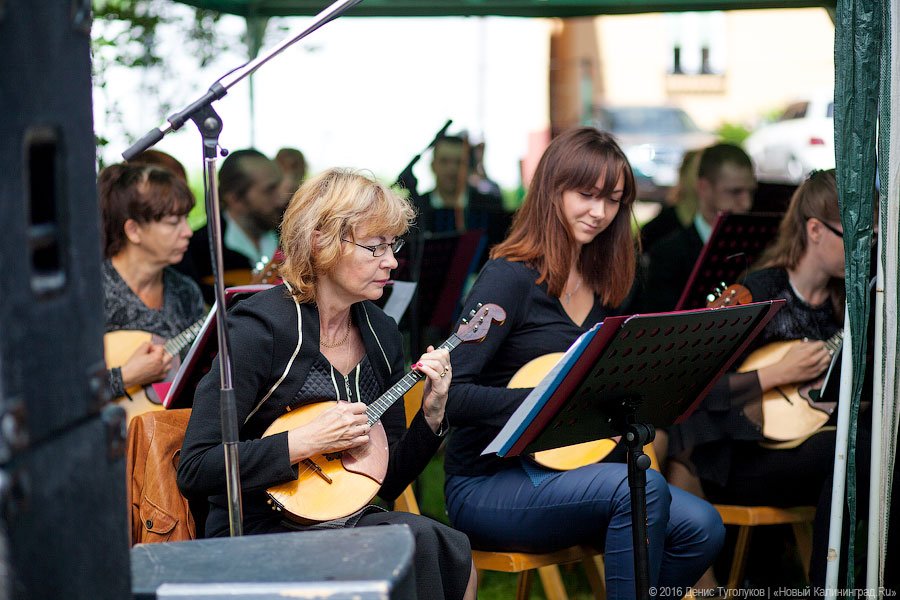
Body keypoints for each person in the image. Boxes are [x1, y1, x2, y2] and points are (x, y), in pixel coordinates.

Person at [442, 127, 725, 600]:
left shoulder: (607, 285)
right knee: (641, 490)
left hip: (573, 472)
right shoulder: (508, 278)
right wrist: (551, 405)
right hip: (490, 482)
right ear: (552, 189)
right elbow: (453, 393)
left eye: (612, 200)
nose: (599, 212)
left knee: (703, 526)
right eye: (586, 194)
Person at [177, 168, 477, 600]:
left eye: (392, 246)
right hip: (260, 527)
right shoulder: (258, 331)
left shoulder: (381, 332)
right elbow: (195, 468)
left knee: (446, 547)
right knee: (412, 543)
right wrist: (301, 442)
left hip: (345, 518)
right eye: (375, 247)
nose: (391, 262)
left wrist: (432, 412)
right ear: (321, 241)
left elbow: (385, 482)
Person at [661, 169, 883, 587]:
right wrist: (773, 375)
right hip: (740, 460)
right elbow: (689, 388)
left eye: (869, 238)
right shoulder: (757, 292)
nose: (863, 250)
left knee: (870, 440)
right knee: (856, 450)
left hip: (807, 444)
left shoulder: (847, 302)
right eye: (854, 237)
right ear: (815, 230)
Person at [99, 163, 205, 404]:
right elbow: (55, 396)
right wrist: (125, 377)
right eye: (173, 222)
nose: (188, 231)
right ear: (134, 230)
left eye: (186, 219)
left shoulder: (186, 292)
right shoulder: (91, 293)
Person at [640, 143, 757, 312]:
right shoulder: (667, 254)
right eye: (735, 192)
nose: (747, 203)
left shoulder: (758, 246)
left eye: (751, 192)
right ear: (703, 187)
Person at [177, 149, 286, 302]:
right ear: (234, 198)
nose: (280, 199)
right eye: (269, 190)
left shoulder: (290, 241)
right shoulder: (197, 250)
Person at [416, 134, 508, 246]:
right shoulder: (415, 209)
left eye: (459, 162)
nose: (452, 169)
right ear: (433, 166)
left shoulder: (490, 206)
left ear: (469, 168)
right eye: (445, 161)